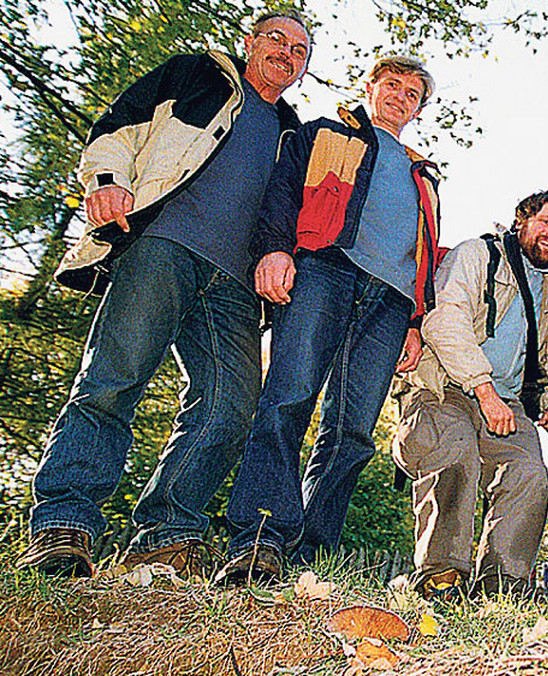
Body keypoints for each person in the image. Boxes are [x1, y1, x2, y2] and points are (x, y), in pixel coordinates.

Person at [18, 11, 310, 578]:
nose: (286, 52)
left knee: (229, 408)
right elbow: (119, 124)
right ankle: (63, 524)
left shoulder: (294, 133)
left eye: (300, 50)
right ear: (249, 42)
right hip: (161, 244)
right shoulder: (198, 75)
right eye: (276, 38)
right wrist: (106, 182)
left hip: (235, 285)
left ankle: (166, 534)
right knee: (112, 382)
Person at [213, 55, 441, 584]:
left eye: (412, 93)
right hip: (325, 269)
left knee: (354, 431)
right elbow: (283, 193)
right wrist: (275, 251)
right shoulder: (325, 134)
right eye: (393, 85)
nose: (400, 97)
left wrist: (414, 319)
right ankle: (259, 541)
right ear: (371, 87)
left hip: (389, 302)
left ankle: (311, 557)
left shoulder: (423, 175)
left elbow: (424, 252)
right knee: (288, 399)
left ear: (418, 109)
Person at [391, 190, 548, 601]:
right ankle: (440, 577)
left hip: (506, 406)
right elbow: (444, 319)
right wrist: (483, 389)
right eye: (546, 221)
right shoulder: (477, 255)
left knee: (530, 475)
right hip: (446, 388)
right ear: (522, 221)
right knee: (455, 456)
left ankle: (502, 588)